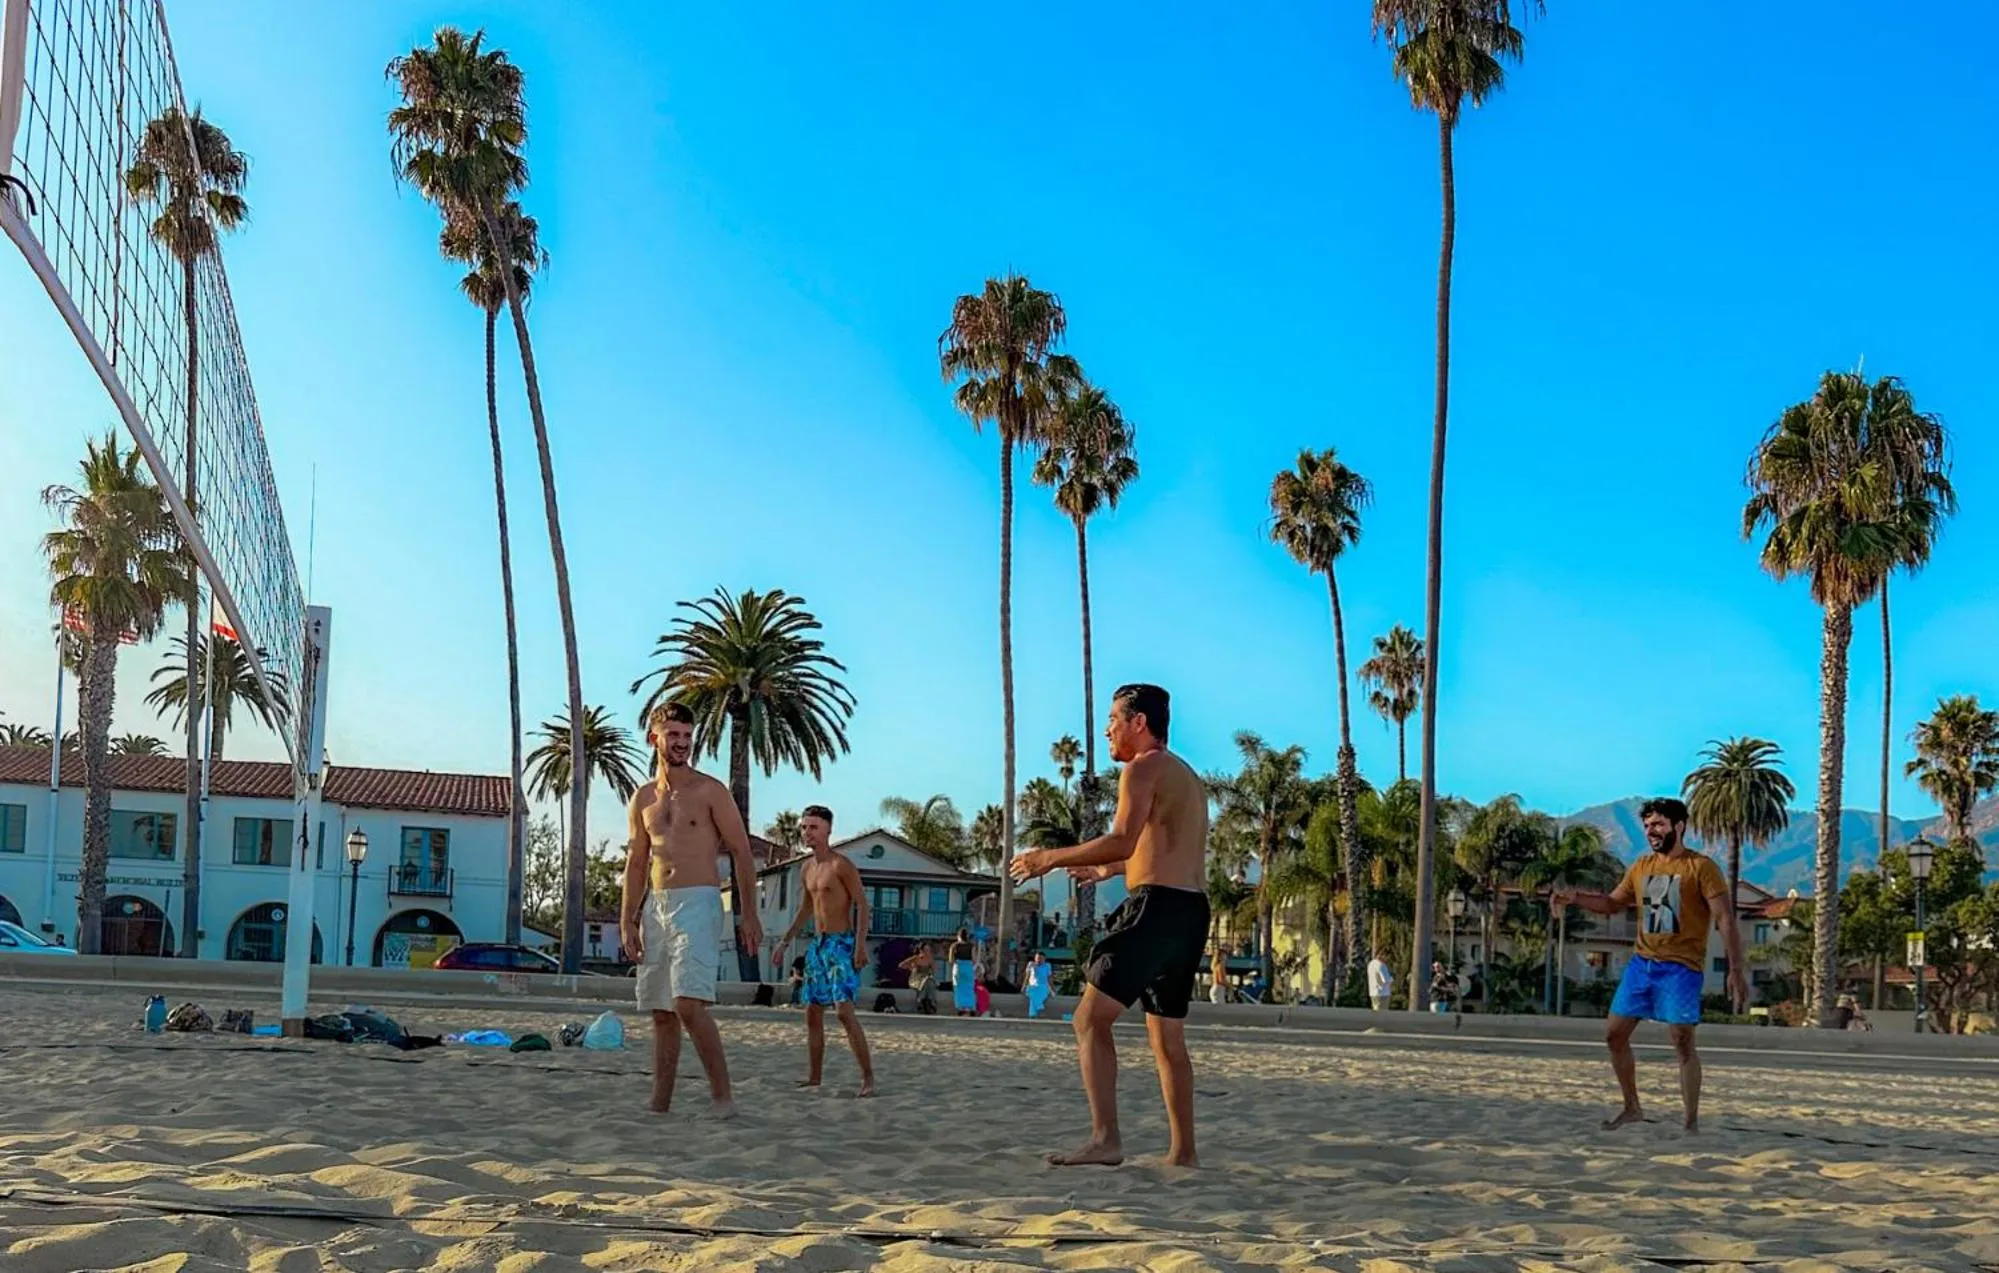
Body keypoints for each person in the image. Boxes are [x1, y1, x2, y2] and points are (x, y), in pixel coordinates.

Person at [1010, 683, 1210, 1168]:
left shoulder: (1142, 767)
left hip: (1156, 909)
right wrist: (1107, 870)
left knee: (1088, 1019)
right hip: (1190, 911)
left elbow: (1122, 838)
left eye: (1114, 720)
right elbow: (1160, 849)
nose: (1107, 731)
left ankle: (1106, 1140)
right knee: (1167, 1039)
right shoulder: (1186, 776)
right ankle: (1183, 1152)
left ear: (1139, 723)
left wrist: (1047, 859)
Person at [1554, 796, 1747, 1134]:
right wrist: (1575, 897)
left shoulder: (1701, 867)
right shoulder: (1641, 867)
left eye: (1657, 824)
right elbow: (1612, 904)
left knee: (1682, 1041)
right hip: (1642, 965)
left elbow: (1725, 919)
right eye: (1646, 826)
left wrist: (1736, 970)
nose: (1650, 831)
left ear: (1679, 826)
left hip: (1681, 968)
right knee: (1614, 1035)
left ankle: (1690, 1122)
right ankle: (1632, 1108)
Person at [620, 702, 764, 1117]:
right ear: (655, 738)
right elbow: (636, 862)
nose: (682, 743)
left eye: (687, 735)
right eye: (674, 735)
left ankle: (723, 1097)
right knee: (661, 1010)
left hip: (699, 901)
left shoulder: (709, 791)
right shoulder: (643, 798)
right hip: (657, 905)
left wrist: (749, 914)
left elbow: (741, 851)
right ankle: (659, 1102)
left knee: (687, 1003)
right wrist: (627, 919)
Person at [772, 805, 877, 1097]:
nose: (808, 833)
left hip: (841, 944)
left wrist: (860, 944)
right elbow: (806, 909)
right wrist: (784, 942)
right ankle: (814, 1077)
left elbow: (862, 904)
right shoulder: (806, 868)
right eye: (805, 827)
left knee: (844, 1012)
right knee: (812, 1012)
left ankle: (868, 1078)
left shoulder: (841, 865)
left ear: (828, 830)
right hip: (818, 945)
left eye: (814, 827)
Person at [900, 942, 939, 1014]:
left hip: (926, 978)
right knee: (927, 982)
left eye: (929, 950)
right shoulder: (916, 958)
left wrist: (931, 969)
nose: (928, 952)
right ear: (921, 950)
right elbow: (901, 965)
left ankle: (923, 1001)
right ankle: (927, 1003)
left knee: (929, 982)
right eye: (926, 950)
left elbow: (934, 971)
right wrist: (911, 968)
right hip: (916, 979)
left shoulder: (930, 959)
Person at [949, 927, 977, 1017]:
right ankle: (969, 1008)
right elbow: (974, 959)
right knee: (969, 988)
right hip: (968, 967)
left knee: (958, 988)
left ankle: (961, 1008)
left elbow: (951, 960)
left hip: (958, 967)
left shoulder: (954, 946)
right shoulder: (972, 946)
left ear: (958, 936)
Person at [1025, 951, 1053, 1018]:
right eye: (1037, 958)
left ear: (1044, 959)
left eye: (1040, 958)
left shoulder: (1047, 966)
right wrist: (1023, 987)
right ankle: (1037, 1008)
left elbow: (1049, 979)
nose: (1038, 960)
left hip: (1043, 987)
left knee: (1034, 996)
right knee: (1033, 993)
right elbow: (1027, 977)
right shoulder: (1031, 964)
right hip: (1032, 987)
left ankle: (1032, 1014)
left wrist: (1052, 990)